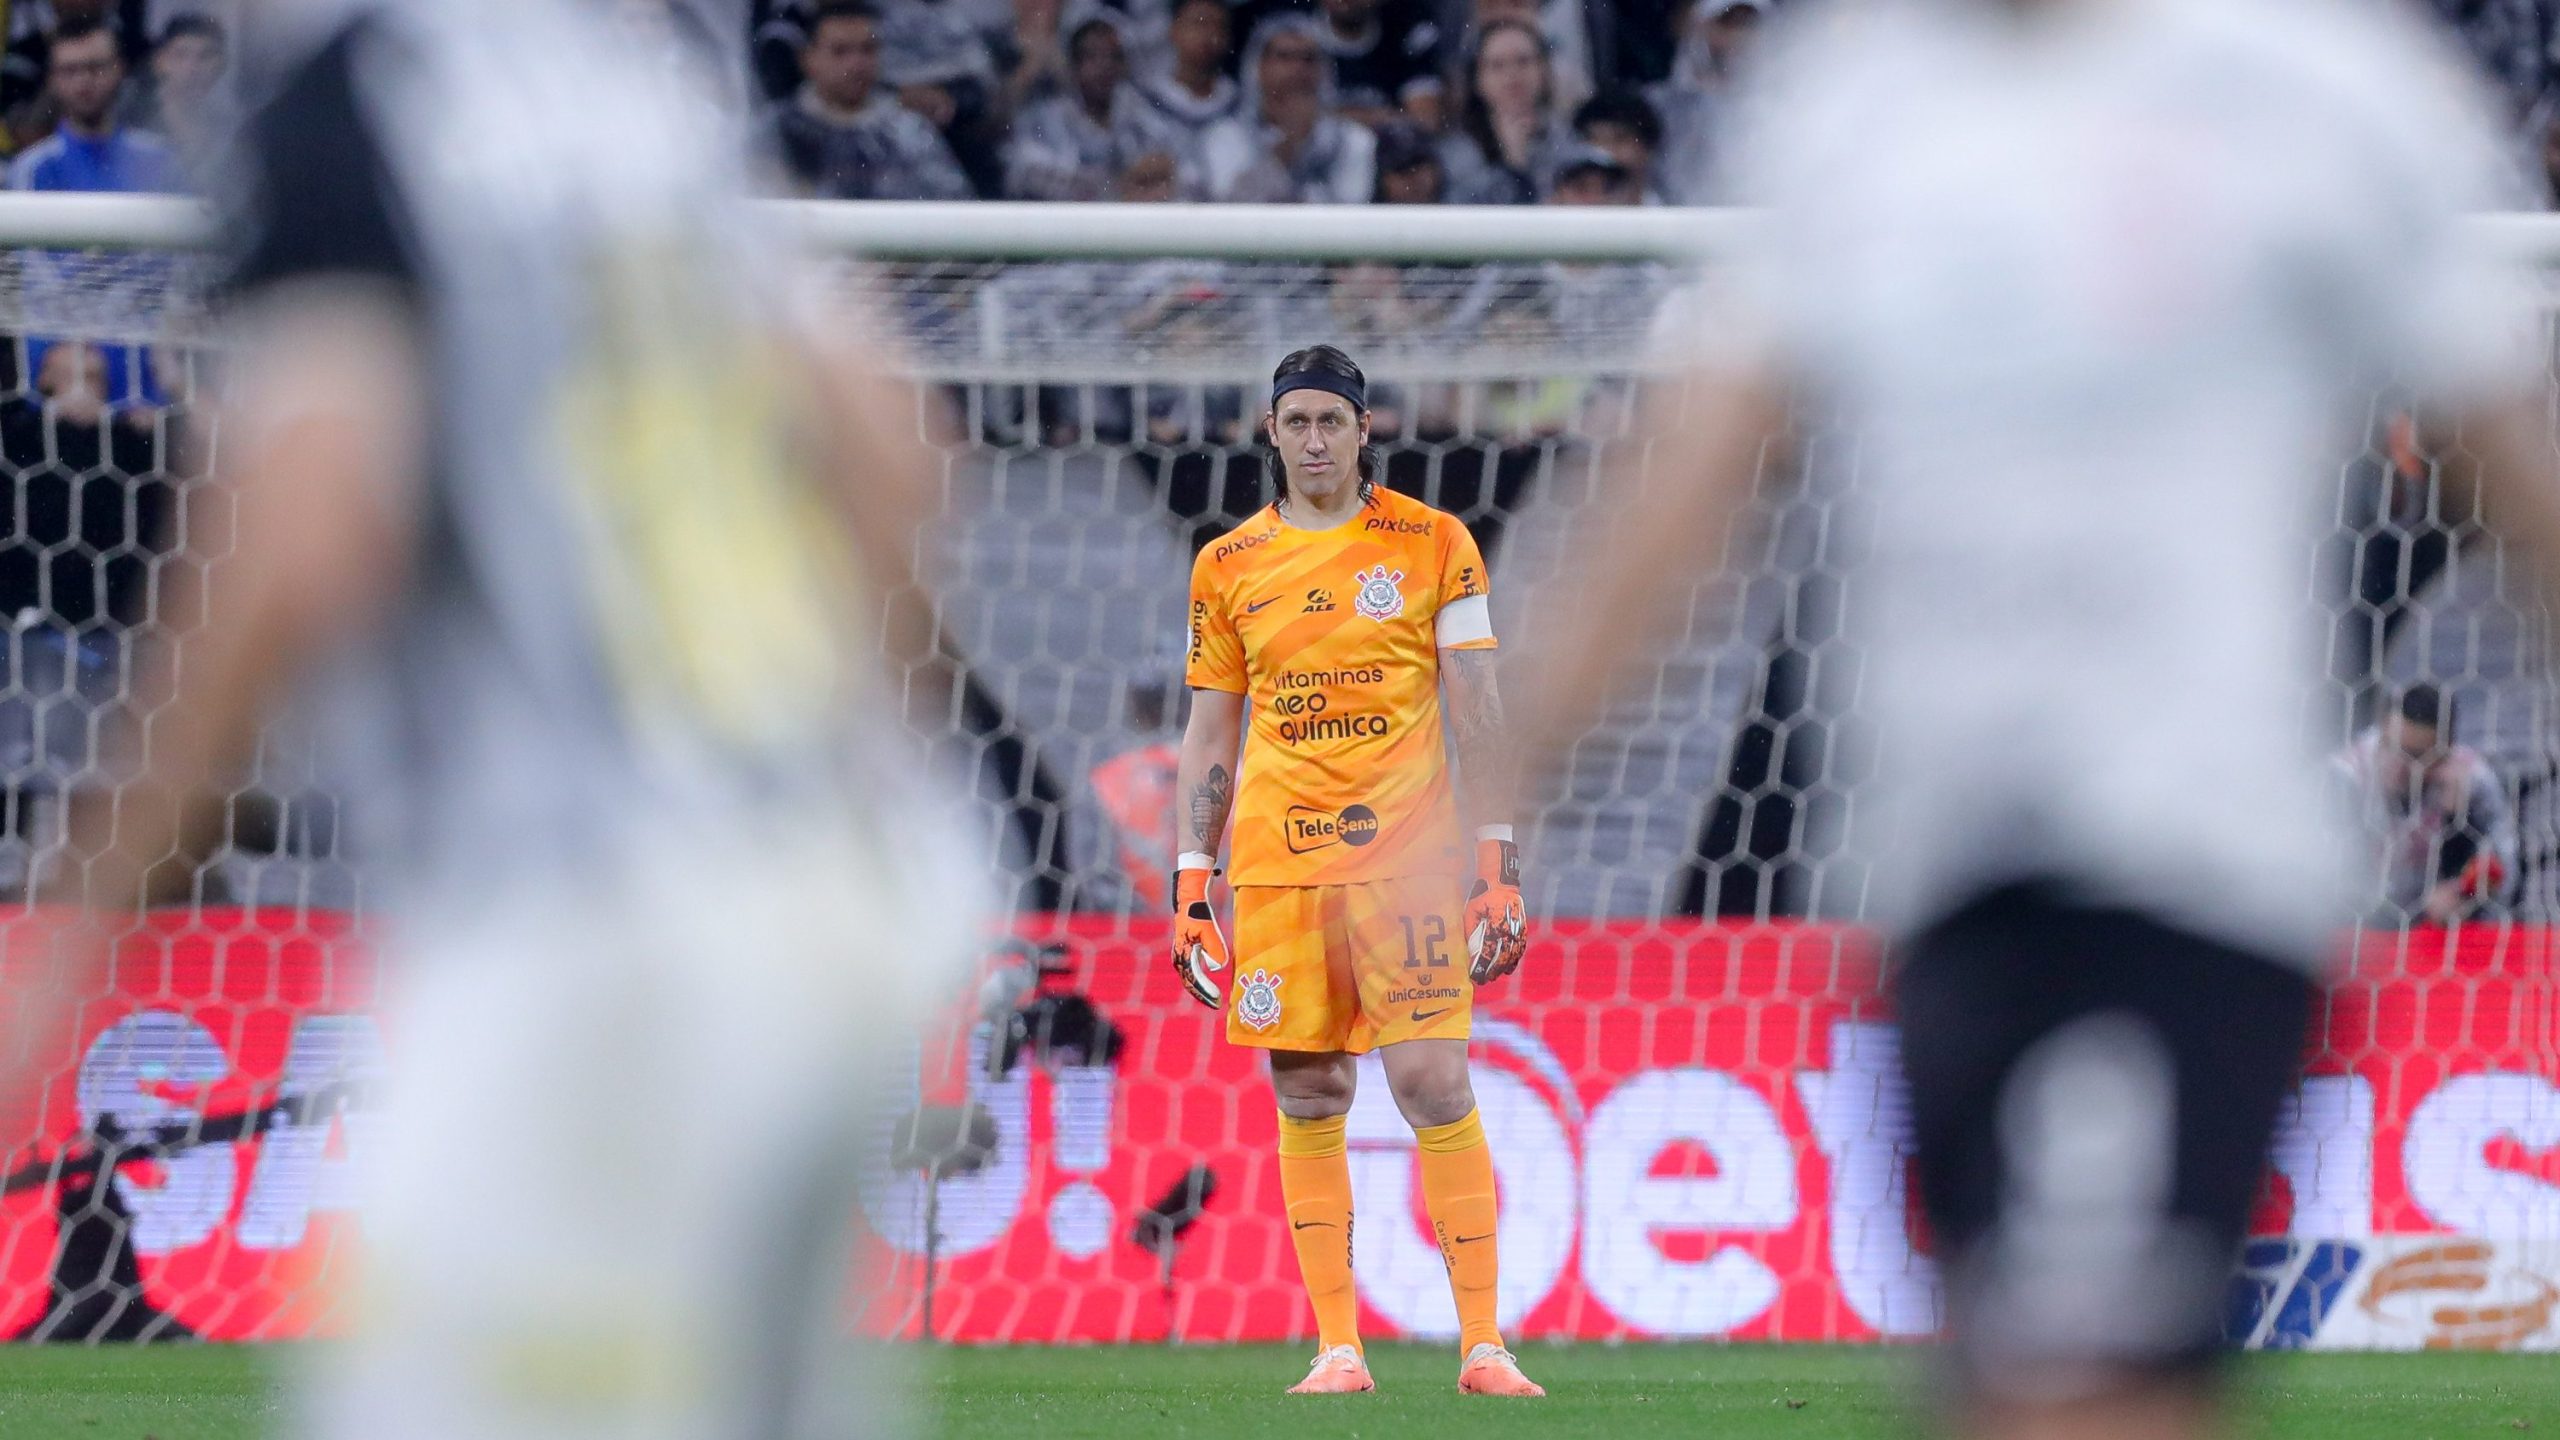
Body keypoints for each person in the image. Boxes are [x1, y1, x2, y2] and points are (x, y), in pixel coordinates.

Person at [1508, 2, 2559, 1438]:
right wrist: (1500, 780)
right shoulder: (1852, 104)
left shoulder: (2326, 92)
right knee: (2013, 1381)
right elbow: (1697, 467)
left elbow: (2506, 461)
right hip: (1935, 875)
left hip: (2186, 860)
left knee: (2084, 1392)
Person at [0, 2, 976, 1437]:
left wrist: (71, 935)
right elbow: (890, 443)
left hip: (579, 937)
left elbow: (306, 528)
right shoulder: (644, 93)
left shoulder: (348, 106)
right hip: (838, 896)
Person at [1172, 344, 1540, 1399]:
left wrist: (1497, 868)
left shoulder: (1433, 544)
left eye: (1334, 420)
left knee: (1430, 1079)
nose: (1317, 439)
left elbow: (1480, 714)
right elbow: (1209, 732)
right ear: (1271, 430)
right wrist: (1193, 883)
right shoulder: (1228, 564)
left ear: (1365, 428)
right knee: (1309, 1086)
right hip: (1278, 863)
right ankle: (1339, 1348)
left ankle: (1483, 1345)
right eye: (1298, 422)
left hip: (1408, 861)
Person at [9, 20, 178, 408]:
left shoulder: (159, 160)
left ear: (119, 69)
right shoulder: (33, 170)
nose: (85, 81)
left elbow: (176, 273)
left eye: (96, 67)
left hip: (149, 352)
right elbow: (39, 280)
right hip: (66, 356)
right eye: (71, 70)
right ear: (53, 79)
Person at [2333, 685, 2517, 926]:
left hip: (2437, 935)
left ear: (2446, 751)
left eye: (2415, 754)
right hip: (2358, 930)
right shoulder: (2344, 778)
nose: (2398, 764)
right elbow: (2321, 884)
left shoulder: (2473, 780)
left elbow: (2504, 870)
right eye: (2389, 746)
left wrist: (2460, 821)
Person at [766, 0, 974, 200]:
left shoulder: (911, 132)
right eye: (840, 51)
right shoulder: (774, 132)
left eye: (867, 49)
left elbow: (953, 212)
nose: (857, 64)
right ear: (807, 59)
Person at [1004, 12, 1188, 200]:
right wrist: (1114, 185)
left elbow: (1174, 171)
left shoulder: (1142, 116)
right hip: (1062, 224)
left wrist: (1153, 175)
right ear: (1073, 65)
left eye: (1113, 56)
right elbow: (1023, 174)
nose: (1104, 66)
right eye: (1092, 56)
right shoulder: (1042, 117)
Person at [1200, 16, 1375, 203]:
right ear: (1258, 67)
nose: (1298, 68)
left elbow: (1350, 211)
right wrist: (1290, 145)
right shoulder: (1225, 136)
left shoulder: (1353, 139)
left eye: (1308, 59)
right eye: (1284, 57)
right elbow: (1231, 205)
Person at [1645, 0, 1764, 205]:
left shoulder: (1792, 109)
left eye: (1749, 25)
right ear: (1699, 27)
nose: (1738, 36)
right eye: (1727, 23)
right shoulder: (1655, 105)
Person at [1437, 17, 1565, 205]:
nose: (1512, 75)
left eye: (1523, 61)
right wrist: (1513, 165)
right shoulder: (1455, 154)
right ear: (1478, 79)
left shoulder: (1567, 141)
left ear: (1544, 70)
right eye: (1497, 65)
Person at [1312, 0, 1443, 132]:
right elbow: (1297, 120)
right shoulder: (1298, 32)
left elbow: (1424, 122)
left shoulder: (1406, 26)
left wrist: (1333, 117)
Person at [1133, 0, 1239, 154]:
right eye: (1199, 23)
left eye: (1219, 26)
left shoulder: (1239, 103)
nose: (1210, 35)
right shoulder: (1144, 102)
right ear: (1173, 30)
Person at [1572, 88, 1667, 204]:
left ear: (1647, 150)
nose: (1604, 152)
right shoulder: (1557, 212)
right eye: (1594, 140)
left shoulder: (1672, 214)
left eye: (1619, 139)